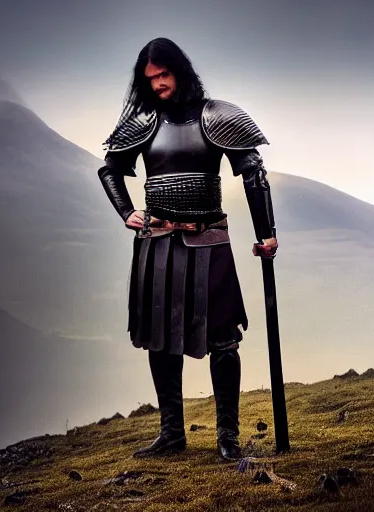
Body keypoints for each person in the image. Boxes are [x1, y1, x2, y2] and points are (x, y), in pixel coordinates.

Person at [97, 37, 278, 461]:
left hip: (209, 240)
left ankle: (228, 438)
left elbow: (253, 171)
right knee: (160, 339)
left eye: (164, 74)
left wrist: (266, 232)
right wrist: (126, 211)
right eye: (151, 78)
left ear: (179, 70)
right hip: (157, 243)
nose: (158, 84)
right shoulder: (143, 123)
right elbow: (111, 169)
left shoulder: (216, 117)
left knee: (224, 339)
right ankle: (172, 434)